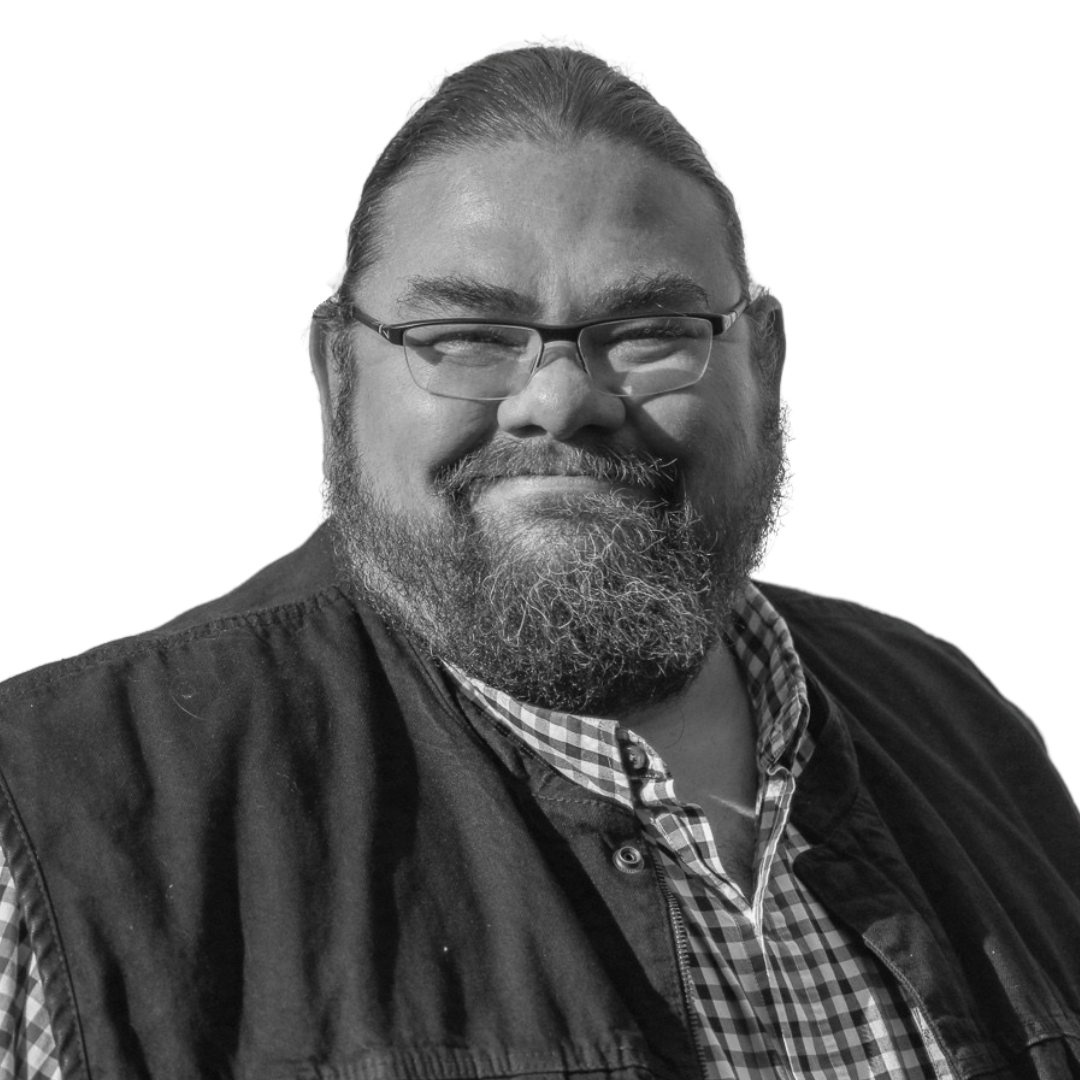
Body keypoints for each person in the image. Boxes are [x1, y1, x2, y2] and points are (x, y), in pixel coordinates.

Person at [1, 45, 1078, 1080]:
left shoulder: (958, 728)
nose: (560, 401)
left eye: (648, 328)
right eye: (467, 335)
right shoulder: (58, 822)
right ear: (337, 375)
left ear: (763, 361)